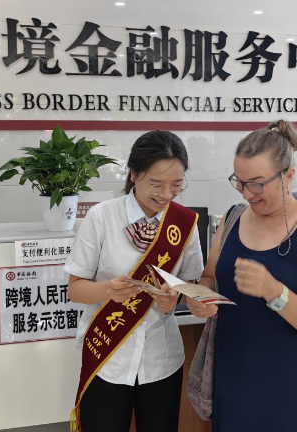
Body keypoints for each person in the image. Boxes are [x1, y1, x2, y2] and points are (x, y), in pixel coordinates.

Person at [188, 120, 297, 432]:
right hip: (233, 385)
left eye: (257, 184)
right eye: (240, 182)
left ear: (289, 175)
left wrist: (275, 292)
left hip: (290, 394)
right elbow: (209, 277)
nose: (247, 193)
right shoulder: (232, 218)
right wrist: (200, 298)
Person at [64, 130, 204, 432]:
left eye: (176, 185)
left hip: (161, 359)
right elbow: (75, 289)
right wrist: (107, 290)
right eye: (156, 183)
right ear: (134, 174)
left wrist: (176, 296)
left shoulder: (184, 223)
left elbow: (192, 281)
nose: (166, 194)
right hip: (108, 358)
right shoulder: (102, 217)